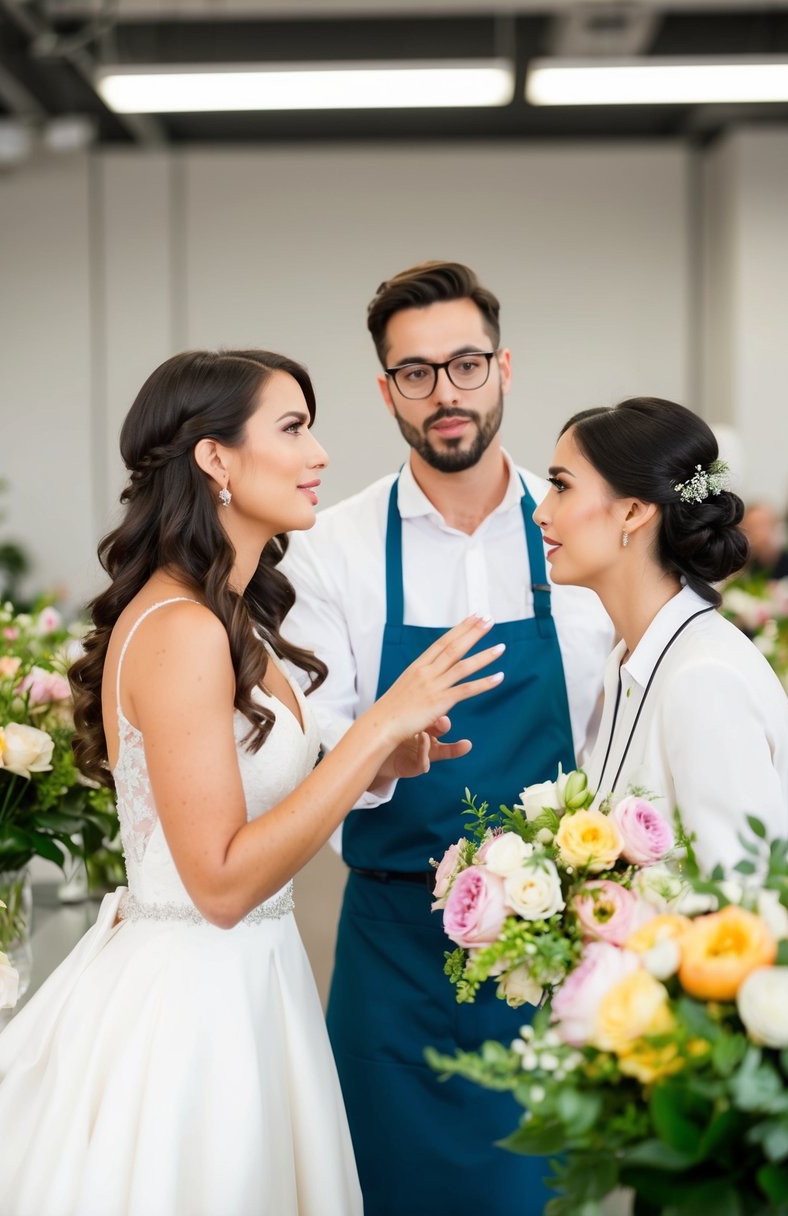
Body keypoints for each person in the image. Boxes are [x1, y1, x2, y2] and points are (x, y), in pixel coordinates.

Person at [0, 349, 507, 1216]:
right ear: (214, 458)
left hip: (252, 980)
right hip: (193, 1008)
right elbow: (218, 882)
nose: (320, 453)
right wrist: (372, 723)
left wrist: (375, 759)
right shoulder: (181, 628)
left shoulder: (229, 613)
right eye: (292, 427)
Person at [280, 261, 613, 1215]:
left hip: (558, 952)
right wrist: (386, 752)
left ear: (503, 367)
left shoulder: (575, 537)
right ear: (386, 391)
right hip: (395, 953)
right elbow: (315, 745)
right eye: (416, 373)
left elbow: (615, 731)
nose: (446, 393)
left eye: (465, 365)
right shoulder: (330, 548)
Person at [533, 396, 788, 871]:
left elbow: (737, 909)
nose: (540, 511)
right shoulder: (632, 661)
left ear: (633, 511)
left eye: (560, 486)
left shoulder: (705, 679)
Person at [740, 500, 788, 581]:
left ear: (774, 525)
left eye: (763, 524)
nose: (758, 532)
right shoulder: (743, 565)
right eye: (752, 526)